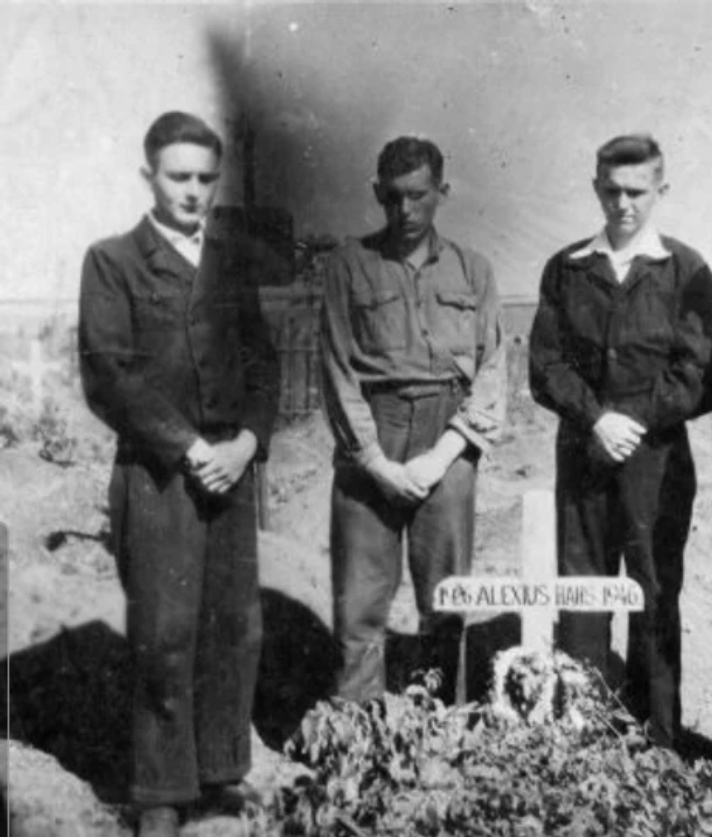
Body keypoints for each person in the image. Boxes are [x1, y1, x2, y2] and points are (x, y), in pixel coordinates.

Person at [78, 111, 279, 837]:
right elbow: (110, 374)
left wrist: (248, 442)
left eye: (205, 178)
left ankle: (220, 773)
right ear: (149, 177)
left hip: (232, 469)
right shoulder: (113, 262)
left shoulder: (231, 263)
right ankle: (161, 790)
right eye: (178, 177)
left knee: (233, 626)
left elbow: (263, 363)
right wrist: (192, 449)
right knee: (164, 631)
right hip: (160, 473)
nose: (193, 191)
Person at [528, 133, 712, 748]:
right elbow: (545, 364)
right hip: (584, 458)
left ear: (661, 190)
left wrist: (630, 421)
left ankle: (655, 743)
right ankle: (581, 739)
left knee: (654, 593)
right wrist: (595, 420)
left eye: (637, 191)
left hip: (656, 464)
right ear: (596, 188)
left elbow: (699, 373)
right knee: (582, 594)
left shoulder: (684, 270)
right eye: (611, 190)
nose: (623, 204)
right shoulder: (567, 268)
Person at [320, 136, 505, 707]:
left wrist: (442, 455)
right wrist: (377, 464)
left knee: (445, 599)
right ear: (377, 193)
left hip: (447, 438)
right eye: (393, 197)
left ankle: (441, 727)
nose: (405, 210)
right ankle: (354, 731)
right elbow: (337, 370)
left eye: (419, 196)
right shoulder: (348, 266)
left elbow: (492, 370)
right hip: (371, 438)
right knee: (360, 602)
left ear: (442, 192)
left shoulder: (474, 270)